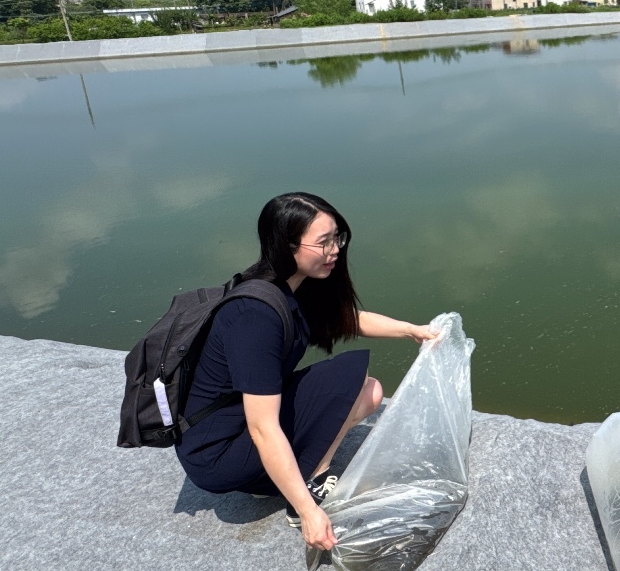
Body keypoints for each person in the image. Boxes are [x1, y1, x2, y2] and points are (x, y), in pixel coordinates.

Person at [176, 192, 436, 552]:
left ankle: (273, 474)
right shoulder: (256, 314)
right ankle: (310, 480)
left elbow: (348, 320)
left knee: (367, 392)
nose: (335, 250)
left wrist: (413, 331)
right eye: (324, 242)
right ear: (287, 245)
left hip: (236, 428)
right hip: (218, 454)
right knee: (354, 381)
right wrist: (308, 511)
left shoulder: (292, 288)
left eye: (337, 238)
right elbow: (262, 428)